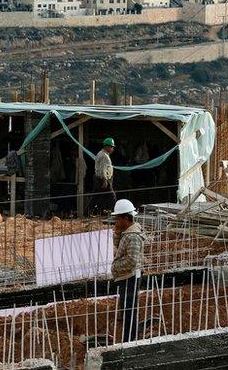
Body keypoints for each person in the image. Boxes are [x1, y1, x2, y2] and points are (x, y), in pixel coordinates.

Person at [110, 198, 148, 343]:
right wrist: (117, 233)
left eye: (118, 219)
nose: (116, 222)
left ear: (126, 218)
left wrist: (115, 267)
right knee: (126, 310)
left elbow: (131, 260)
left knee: (129, 311)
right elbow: (120, 248)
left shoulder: (133, 237)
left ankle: (129, 341)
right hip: (126, 276)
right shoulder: (127, 233)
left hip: (130, 278)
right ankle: (128, 339)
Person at [88, 137, 117, 214]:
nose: (112, 149)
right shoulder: (104, 156)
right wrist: (105, 180)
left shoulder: (100, 153)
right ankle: (114, 213)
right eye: (111, 147)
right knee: (112, 197)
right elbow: (103, 169)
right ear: (107, 147)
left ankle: (89, 212)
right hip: (102, 179)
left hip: (98, 178)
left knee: (96, 197)